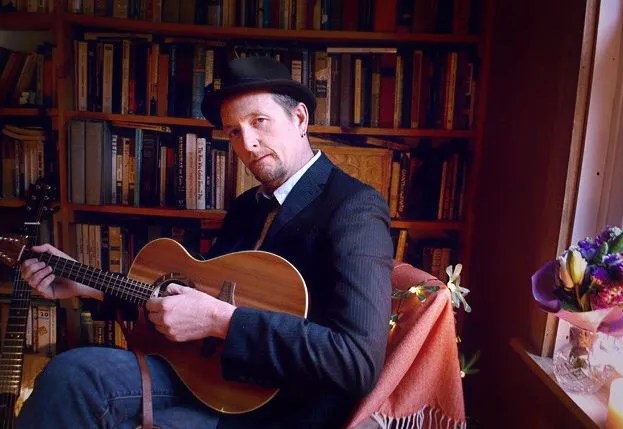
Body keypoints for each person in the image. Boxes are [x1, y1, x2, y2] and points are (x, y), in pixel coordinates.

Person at [17, 56, 393, 429]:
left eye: (259, 121)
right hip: (210, 382)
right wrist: (89, 286)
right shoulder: (248, 207)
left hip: (276, 409)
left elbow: (356, 361)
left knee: (76, 378)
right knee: (74, 375)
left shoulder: (353, 207)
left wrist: (221, 321)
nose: (247, 143)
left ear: (299, 119)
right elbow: (192, 302)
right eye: (233, 131)